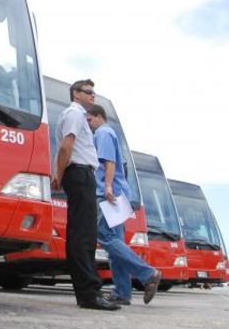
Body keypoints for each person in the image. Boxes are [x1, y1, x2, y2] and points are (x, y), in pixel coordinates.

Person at [51, 79, 122, 311]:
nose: (93, 96)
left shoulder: (77, 116)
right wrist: (58, 176)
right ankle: (89, 294)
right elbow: (65, 147)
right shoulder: (74, 114)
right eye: (88, 92)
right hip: (79, 174)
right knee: (84, 236)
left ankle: (87, 293)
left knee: (82, 235)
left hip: (80, 175)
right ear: (75, 94)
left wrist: (59, 174)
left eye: (94, 92)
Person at [86, 104, 162, 305]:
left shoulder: (103, 133)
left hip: (108, 194)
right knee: (115, 243)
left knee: (106, 237)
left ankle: (148, 273)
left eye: (89, 120)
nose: (88, 124)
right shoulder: (109, 133)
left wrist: (108, 186)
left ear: (98, 116)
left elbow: (108, 162)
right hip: (117, 195)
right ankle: (122, 292)